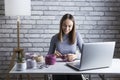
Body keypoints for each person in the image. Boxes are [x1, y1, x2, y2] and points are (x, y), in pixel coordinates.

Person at [48, 13, 84, 80]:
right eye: (65, 25)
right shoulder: (54, 38)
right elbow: (48, 56)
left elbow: (85, 54)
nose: (67, 28)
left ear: (73, 26)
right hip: (58, 67)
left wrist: (75, 56)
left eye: (69, 26)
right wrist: (54, 56)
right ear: (61, 25)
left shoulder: (77, 36)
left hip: (73, 66)